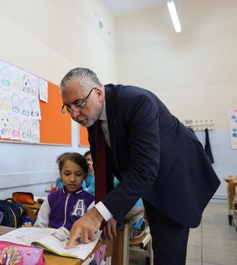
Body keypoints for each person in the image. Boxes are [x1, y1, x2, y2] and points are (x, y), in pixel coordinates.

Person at [59, 68, 220, 265]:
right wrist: (110, 212)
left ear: (98, 94)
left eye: (78, 103)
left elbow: (144, 169)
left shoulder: (137, 101)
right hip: (151, 181)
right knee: (161, 242)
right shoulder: (92, 119)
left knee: (167, 252)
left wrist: (97, 213)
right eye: (68, 107)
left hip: (176, 179)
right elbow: (103, 168)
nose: (74, 114)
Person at [25, 152, 95, 230]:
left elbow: (92, 231)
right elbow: (40, 225)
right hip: (50, 240)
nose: (72, 179)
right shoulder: (51, 198)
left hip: (76, 241)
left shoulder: (90, 201)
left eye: (78, 174)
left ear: (85, 176)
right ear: (61, 175)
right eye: (67, 174)